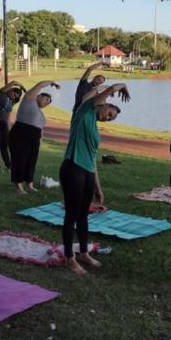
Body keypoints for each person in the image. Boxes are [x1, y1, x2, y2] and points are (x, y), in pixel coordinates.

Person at [60, 82, 129, 275]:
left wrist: (98, 189)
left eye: (110, 119)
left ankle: (83, 253)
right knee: (71, 215)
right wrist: (120, 85)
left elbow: (92, 161)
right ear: (104, 105)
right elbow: (103, 92)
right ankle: (69, 257)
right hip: (72, 168)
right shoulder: (84, 112)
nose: (107, 118)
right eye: (109, 114)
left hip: (87, 172)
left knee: (83, 215)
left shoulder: (95, 130)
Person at [9, 80, 60, 195]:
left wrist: (39, 144)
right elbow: (39, 85)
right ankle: (18, 186)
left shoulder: (42, 115)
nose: (46, 102)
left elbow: (40, 131)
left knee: (31, 161)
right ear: (38, 96)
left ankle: (29, 184)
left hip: (34, 139)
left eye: (49, 102)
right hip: (21, 134)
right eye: (46, 99)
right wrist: (52, 82)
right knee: (20, 159)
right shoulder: (29, 101)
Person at [0, 81, 25, 171]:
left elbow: (8, 116)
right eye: (14, 95)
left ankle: (9, 166)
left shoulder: (11, 102)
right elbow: (13, 82)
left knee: (4, 146)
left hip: (4, 125)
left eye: (16, 97)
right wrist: (21, 86)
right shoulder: (1, 94)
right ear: (11, 90)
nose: (14, 97)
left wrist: (9, 129)